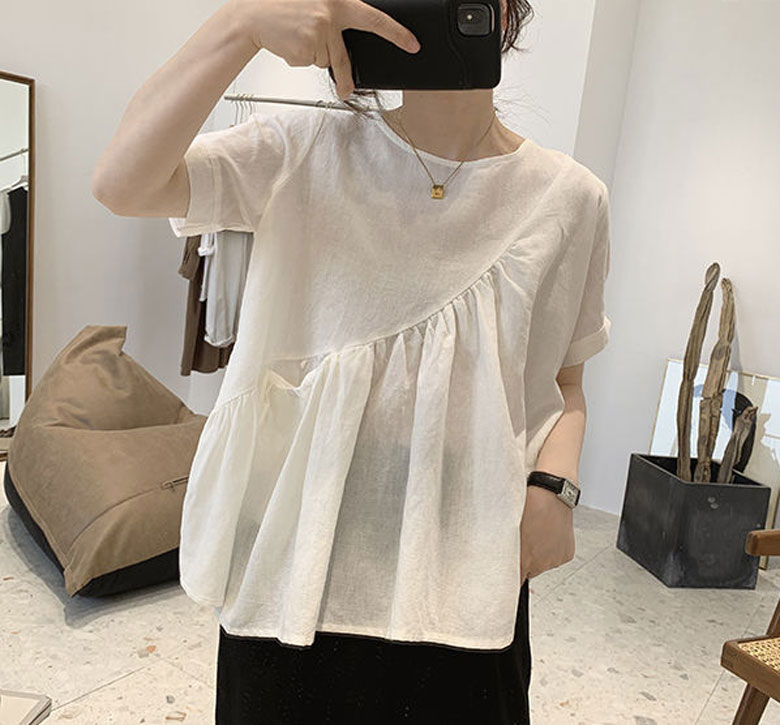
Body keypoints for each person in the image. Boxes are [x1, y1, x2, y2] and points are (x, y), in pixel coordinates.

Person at [92, 0, 611, 722]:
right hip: (290, 555)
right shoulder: (301, 147)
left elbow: (566, 381)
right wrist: (240, 24)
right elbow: (122, 183)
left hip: (463, 555)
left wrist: (554, 488)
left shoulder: (571, 198)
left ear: (502, 11)